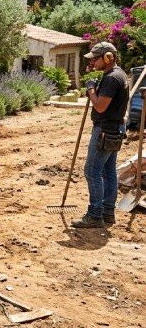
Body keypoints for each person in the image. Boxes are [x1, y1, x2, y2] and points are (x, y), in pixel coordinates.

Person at [72, 41, 129, 228]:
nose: (92, 62)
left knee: (92, 171)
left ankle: (95, 215)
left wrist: (90, 89)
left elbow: (101, 106)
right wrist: (94, 83)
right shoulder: (118, 75)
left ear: (108, 58)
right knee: (108, 171)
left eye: (95, 59)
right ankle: (107, 212)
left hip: (105, 130)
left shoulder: (112, 78)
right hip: (114, 128)